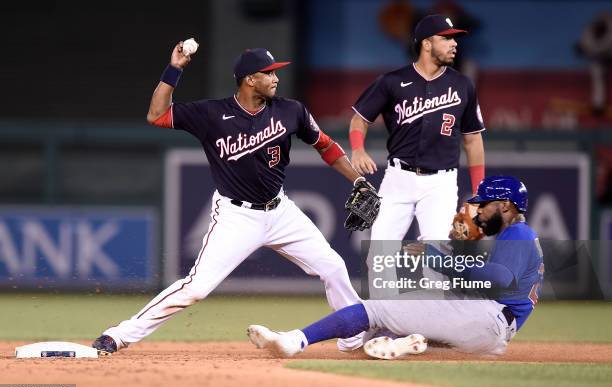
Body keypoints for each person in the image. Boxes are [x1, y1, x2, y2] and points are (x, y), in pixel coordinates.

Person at [91, 43, 369, 354]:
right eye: (269, 73)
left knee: (332, 266)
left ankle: (354, 337)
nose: (276, 78)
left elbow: (326, 145)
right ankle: (120, 334)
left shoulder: (292, 110)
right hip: (237, 216)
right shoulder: (211, 114)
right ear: (249, 79)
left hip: (281, 211)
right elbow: (156, 115)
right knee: (195, 288)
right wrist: (175, 69)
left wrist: (357, 179)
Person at [247, 176, 545, 358]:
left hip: (488, 320)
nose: (479, 211)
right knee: (379, 335)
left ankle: (294, 341)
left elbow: (498, 279)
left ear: (505, 206)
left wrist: (440, 261)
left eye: (486, 205)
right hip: (489, 330)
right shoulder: (517, 236)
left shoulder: (518, 233)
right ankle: (411, 344)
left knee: (376, 308)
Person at [349, 14, 485, 241]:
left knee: (437, 260)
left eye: (455, 39)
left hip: (441, 184)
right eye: (447, 38)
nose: (454, 44)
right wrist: (358, 149)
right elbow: (359, 119)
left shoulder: (463, 85)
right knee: (380, 258)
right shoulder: (391, 81)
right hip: (397, 179)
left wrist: (479, 192)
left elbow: (473, 140)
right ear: (427, 43)